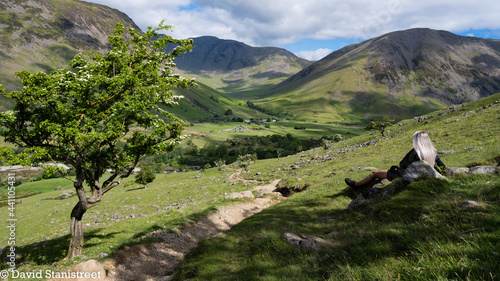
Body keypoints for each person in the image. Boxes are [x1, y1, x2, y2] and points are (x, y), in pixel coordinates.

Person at [345, 131, 446, 188]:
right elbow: (443, 167)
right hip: (422, 177)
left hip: (406, 176)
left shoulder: (415, 152)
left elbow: (403, 164)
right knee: (382, 176)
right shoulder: (433, 153)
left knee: (374, 173)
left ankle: (355, 185)